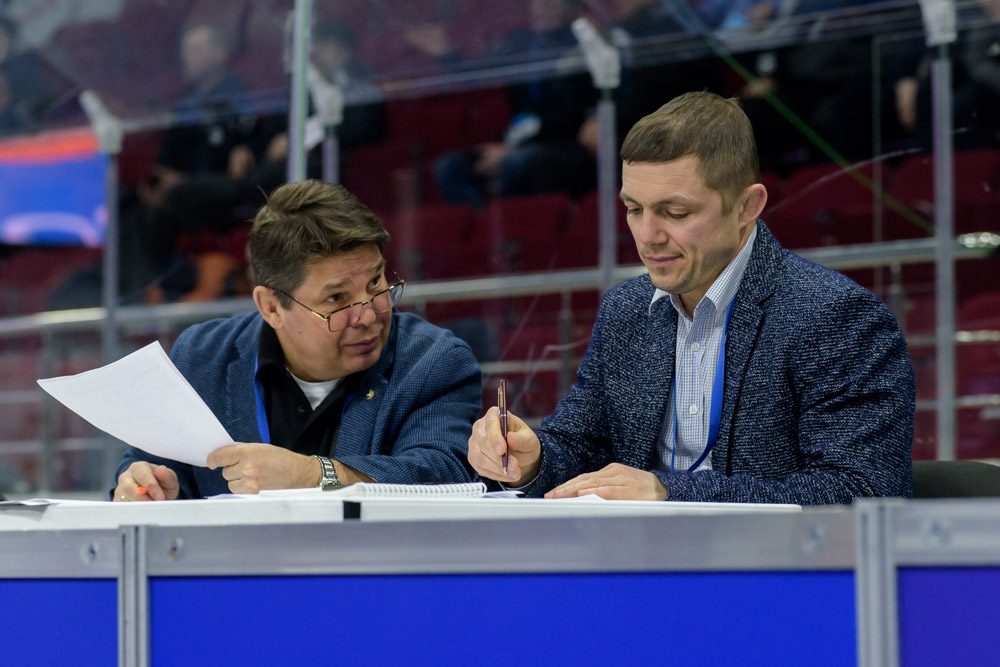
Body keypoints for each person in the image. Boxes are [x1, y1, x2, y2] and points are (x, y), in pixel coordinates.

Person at [467, 91, 914, 504]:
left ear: (748, 206)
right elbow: (582, 447)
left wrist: (670, 492)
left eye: (676, 212)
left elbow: (861, 489)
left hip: (773, 561)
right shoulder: (626, 310)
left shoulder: (834, 316)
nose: (648, 236)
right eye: (633, 209)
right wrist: (533, 460)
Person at [113, 180, 481, 500]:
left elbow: (445, 474)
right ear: (271, 307)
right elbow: (149, 466)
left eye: (375, 283)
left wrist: (313, 475)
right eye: (336, 299)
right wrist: (143, 486)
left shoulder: (433, 360)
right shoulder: (203, 356)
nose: (369, 316)